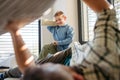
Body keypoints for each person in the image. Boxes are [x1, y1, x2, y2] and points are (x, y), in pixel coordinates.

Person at [1, 0, 120, 80]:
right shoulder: (104, 56)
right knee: (45, 56)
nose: (57, 22)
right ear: (77, 77)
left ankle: (4, 74)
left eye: (59, 20)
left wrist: (14, 30)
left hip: (65, 47)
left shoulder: (68, 28)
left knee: (42, 61)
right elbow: (107, 12)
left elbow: (28, 68)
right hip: (72, 52)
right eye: (56, 20)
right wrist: (54, 22)